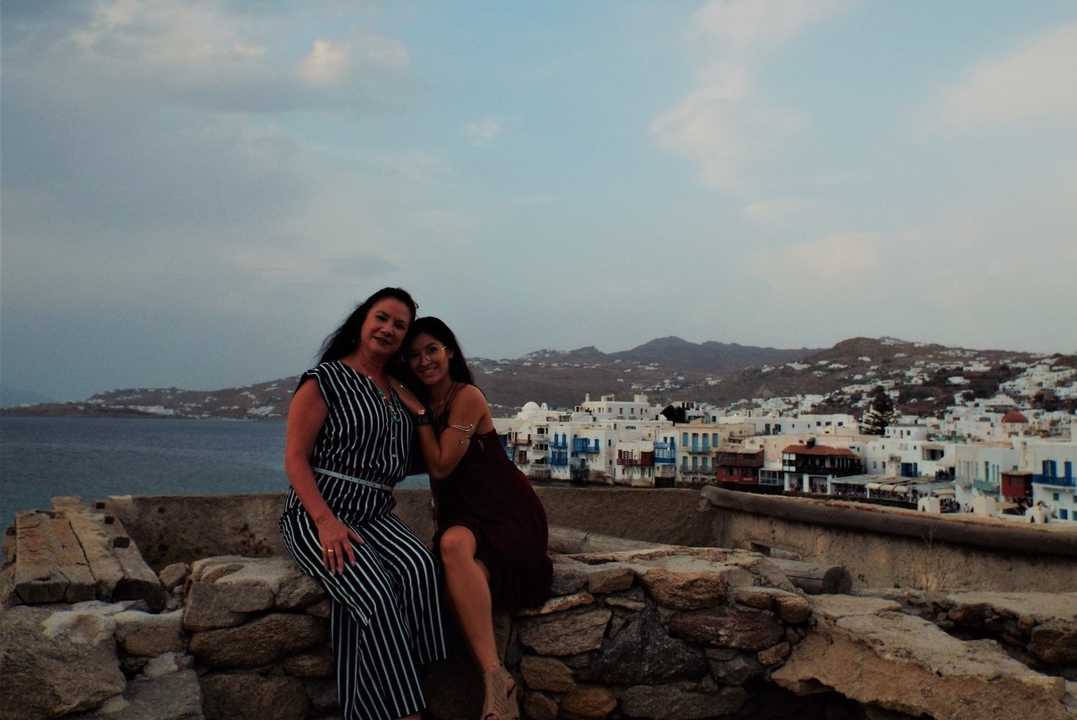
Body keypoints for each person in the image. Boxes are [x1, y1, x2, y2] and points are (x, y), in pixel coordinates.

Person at [278, 288, 447, 720]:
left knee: (421, 570)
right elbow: (296, 458)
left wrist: (422, 417)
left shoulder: (398, 390)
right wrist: (324, 522)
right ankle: (409, 712)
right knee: (374, 595)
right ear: (362, 321)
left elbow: (408, 459)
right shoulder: (325, 379)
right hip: (319, 512)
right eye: (382, 318)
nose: (388, 329)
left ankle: (391, 694)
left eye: (399, 325)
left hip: (375, 513)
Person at [396, 317, 553, 720]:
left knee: (453, 555)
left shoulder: (465, 396)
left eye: (431, 349)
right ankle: (498, 680)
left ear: (449, 350)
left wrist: (417, 414)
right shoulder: (425, 404)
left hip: (506, 511)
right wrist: (439, 520)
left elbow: (443, 466)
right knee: (452, 557)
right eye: (413, 355)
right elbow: (438, 482)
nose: (424, 360)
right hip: (466, 514)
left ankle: (494, 681)